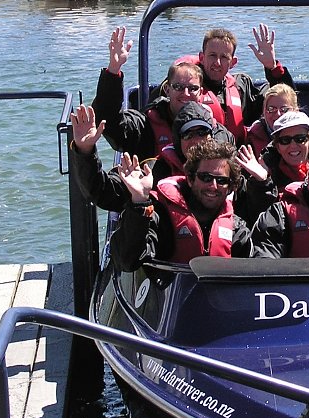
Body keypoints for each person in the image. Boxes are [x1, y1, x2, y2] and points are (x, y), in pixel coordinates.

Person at [111, 138, 251, 269]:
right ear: (190, 179)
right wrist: (138, 201)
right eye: (206, 178)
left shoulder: (237, 229)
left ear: (230, 186)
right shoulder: (161, 217)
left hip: (218, 294)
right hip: (169, 292)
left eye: (221, 181)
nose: (213, 186)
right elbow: (127, 261)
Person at [68, 102, 232, 212]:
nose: (196, 140)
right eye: (188, 134)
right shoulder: (152, 171)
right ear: (177, 139)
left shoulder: (228, 171)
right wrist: (85, 151)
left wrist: (258, 184)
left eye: (202, 132)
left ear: (212, 136)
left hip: (215, 262)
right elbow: (101, 193)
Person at [90, 27, 207, 161]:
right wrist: (113, 70)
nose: (186, 94)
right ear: (168, 90)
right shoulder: (145, 125)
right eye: (178, 87)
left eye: (192, 88)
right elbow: (108, 121)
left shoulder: (213, 126)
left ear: (201, 92)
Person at [195, 25, 296, 145]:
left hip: (239, 156)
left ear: (233, 62)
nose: (217, 63)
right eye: (212, 55)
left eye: (224, 57)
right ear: (202, 57)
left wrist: (272, 67)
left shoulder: (242, 86)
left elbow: (285, 98)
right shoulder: (188, 88)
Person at [244, 83, 309, 155]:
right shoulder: (251, 139)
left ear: (295, 110)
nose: (278, 114)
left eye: (284, 109)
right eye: (271, 109)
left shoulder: (308, 136)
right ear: (264, 111)